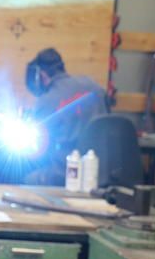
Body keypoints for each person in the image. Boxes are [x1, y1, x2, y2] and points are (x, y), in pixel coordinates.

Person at [25, 47, 109, 185]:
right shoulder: (94, 86)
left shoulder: (47, 99)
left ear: (41, 75)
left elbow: (37, 148)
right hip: (100, 170)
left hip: (66, 172)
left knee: (26, 178)